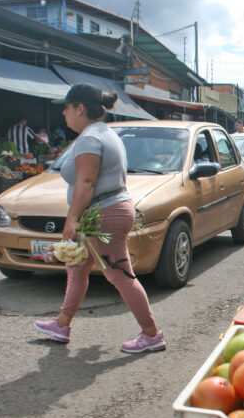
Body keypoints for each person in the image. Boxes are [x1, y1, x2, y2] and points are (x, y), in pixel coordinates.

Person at [34, 82, 165, 354]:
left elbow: (86, 181)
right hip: (106, 211)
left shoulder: (90, 139)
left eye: (67, 108)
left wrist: (71, 220)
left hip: (102, 214)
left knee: (120, 275)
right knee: (78, 267)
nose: (64, 114)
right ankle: (61, 324)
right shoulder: (103, 133)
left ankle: (152, 334)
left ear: (79, 108)